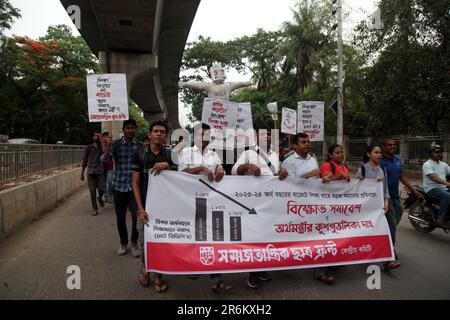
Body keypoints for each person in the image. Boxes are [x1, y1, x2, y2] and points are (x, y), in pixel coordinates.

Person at [178, 122, 231, 293]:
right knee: (194, 236)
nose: (204, 138)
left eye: (207, 135)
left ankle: (215, 278)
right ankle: (193, 267)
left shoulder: (214, 155)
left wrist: (221, 171)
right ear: (195, 135)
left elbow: (220, 170)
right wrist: (201, 168)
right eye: (201, 134)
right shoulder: (186, 152)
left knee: (212, 237)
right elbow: (179, 174)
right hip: (189, 201)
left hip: (211, 201)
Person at [231, 125, 279, 289]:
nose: (266, 138)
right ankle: (253, 273)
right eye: (263, 135)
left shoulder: (275, 155)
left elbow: (276, 177)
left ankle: (263, 269)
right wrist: (248, 167)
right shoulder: (249, 153)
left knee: (268, 237)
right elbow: (234, 170)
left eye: (268, 135)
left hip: (271, 202)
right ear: (257, 138)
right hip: (253, 203)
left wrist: (282, 175)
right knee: (255, 238)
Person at [131, 120, 174, 293]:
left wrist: (168, 165)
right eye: (155, 131)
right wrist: (140, 208)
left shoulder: (171, 155)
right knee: (144, 242)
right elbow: (135, 181)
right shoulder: (139, 154)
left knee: (161, 243)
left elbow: (181, 177)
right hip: (145, 208)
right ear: (149, 134)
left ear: (165, 136)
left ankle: (157, 276)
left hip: (165, 209)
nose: (158, 134)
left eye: (162, 132)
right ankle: (146, 268)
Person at [103, 119, 141, 256]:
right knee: (120, 217)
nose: (130, 130)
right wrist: (107, 146)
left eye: (133, 128)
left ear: (135, 129)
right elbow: (105, 160)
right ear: (123, 130)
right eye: (128, 128)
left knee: (137, 216)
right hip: (118, 185)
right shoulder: (116, 144)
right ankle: (123, 243)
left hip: (134, 187)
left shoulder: (140, 145)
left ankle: (135, 242)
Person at [380, 138, 423, 260]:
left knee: (396, 220)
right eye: (389, 145)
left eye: (394, 145)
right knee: (392, 224)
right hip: (384, 198)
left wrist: (414, 191)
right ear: (384, 147)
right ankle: (389, 251)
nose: (392, 147)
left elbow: (402, 176)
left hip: (396, 197)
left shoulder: (398, 159)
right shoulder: (380, 161)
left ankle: (383, 241)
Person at [356, 145, 397, 270]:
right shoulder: (363, 169)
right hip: (367, 208)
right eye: (376, 152)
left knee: (389, 227)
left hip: (381, 205)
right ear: (369, 154)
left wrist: (386, 202)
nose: (379, 155)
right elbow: (356, 188)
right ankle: (366, 252)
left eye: (380, 153)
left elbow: (385, 188)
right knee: (368, 231)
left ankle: (389, 256)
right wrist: (362, 181)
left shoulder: (382, 169)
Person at [422, 143, 450, 229]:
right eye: (437, 152)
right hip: (431, 189)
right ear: (431, 153)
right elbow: (433, 177)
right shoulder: (427, 164)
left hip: (443, 188)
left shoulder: (443, 164)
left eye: (440, 152)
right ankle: (441, 219)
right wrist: (446, 183)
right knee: (447, 196)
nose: (439, 154)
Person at [81, 132, 106, 216]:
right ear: (92, 137)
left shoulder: (102, 146)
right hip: (91, 171)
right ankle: (95, 208)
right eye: (95, 135)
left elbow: (105, 152)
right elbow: (85, 159)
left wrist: (102, 140)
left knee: (102, 188)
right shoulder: (89, 147)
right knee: (92, 191)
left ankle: (100, 198)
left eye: (98, 135)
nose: (97, 137)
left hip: (99, 171)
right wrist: (82, 172)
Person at [102, 132, 115, 204]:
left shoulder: (113, 144)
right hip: (101, 168)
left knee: (110, 182)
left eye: (108, 137)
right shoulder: (99, 144)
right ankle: (106, 195)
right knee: (103, 182)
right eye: (105, 137)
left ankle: (110, 195)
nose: (106, 138)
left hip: (110, 166)